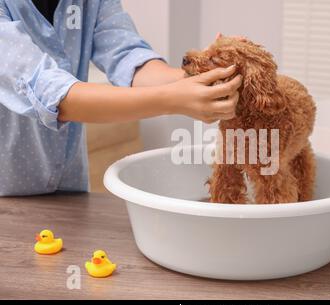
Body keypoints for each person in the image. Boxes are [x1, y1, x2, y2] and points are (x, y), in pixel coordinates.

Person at [0, 0, 242, 196]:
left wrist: (200, 76)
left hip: (68, 191)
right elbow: (52, 94)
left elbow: (126, 54)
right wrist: (174, 99)